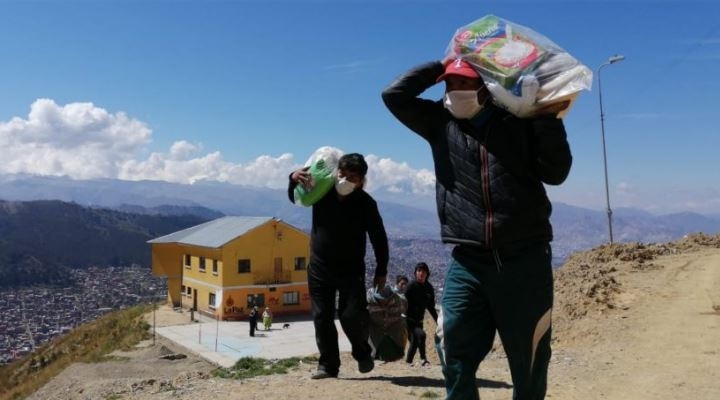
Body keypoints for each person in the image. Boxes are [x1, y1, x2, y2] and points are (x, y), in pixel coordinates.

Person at [382, 59, 572, 399]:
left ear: (486, 87)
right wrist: (444, 62)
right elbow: (394, 95)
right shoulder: (439, 123)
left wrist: (544, 117)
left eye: (464, 84)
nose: (455, 93)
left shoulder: (517, 120)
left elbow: (556, 172)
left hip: (524, 258)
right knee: (452, 345)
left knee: (529, 361)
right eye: (449, 85)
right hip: (468, 259)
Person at [287, 152, 389, 379]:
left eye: (352, 177)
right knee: (321, 316)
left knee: (351, 315)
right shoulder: (322, 192)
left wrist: (382, 269)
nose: (345, 180)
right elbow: (295, 196)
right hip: (319, 267)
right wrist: (292, 177)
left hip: (351, 270)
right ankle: (328, 365)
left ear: (361, 180)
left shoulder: (365, 204)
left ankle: (362, 352)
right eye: (342, 174)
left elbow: (379, 237)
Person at [404, 262, 438, 367]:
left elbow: (431, 307)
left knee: (416, 341)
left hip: (420, 320)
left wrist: (438, 322)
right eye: (419, 271)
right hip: (408, 320)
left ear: (427, 273)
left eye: (423, 271)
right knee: (420, 336)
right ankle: (422, 359)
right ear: (415, 273)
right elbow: (402, 302)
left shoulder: (429, 288)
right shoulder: (411, 286)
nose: (421, 273)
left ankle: (410, 361)